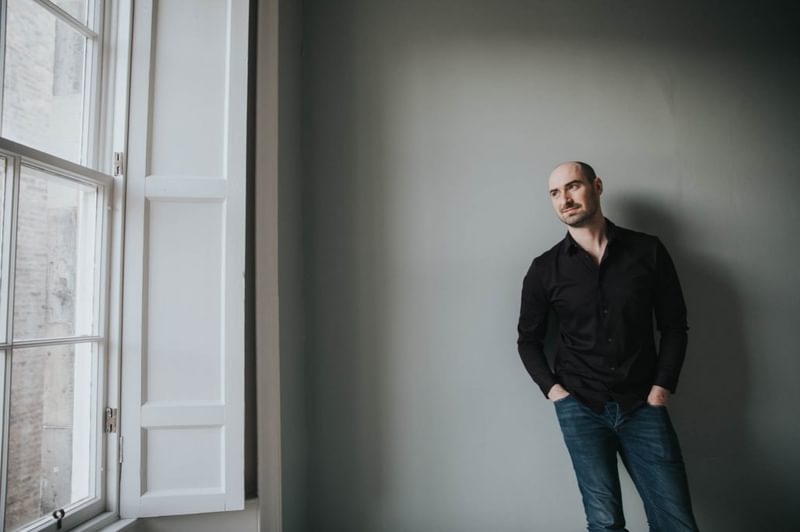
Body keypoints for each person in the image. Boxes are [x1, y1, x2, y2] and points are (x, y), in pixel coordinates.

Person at [516, 161, 700, 531]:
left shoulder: (647, 251)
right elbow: (528, 340)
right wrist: (556, 393)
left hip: (643, 405)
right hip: (580, 408)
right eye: (555, 193)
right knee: (604, 522)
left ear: (596, 186)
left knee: (676, 521)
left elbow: (674, 326)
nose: (565, 199)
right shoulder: (544, 269)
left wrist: (661, 388)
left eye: (573, 187)